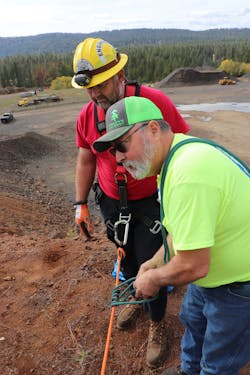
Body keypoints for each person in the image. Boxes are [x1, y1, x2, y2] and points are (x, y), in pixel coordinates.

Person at [93, 96, 250, 375]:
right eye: (113, 150)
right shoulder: (173, 160)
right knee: (193, 321)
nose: (118, 157)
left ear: (153, 128)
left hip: (239, 286)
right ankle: (189, 370)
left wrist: (154, 278)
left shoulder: (188, 173)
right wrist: (155, 261)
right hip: (213, 277)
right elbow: (183, 232)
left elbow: (194, 264)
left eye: (122, 145)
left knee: (219, 360)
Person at [72, 37, 190, 367]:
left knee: (151, 263)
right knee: (126, 259)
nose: (96, 94)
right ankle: (134, 297)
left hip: (151, 202)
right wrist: (80, 203)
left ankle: (157, 323)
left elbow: (180, 142)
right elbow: (85, 159)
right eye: (90, 89)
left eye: (102, 85)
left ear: (120, 74)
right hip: (113, 202)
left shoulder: (154, 102)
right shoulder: (88, 115)